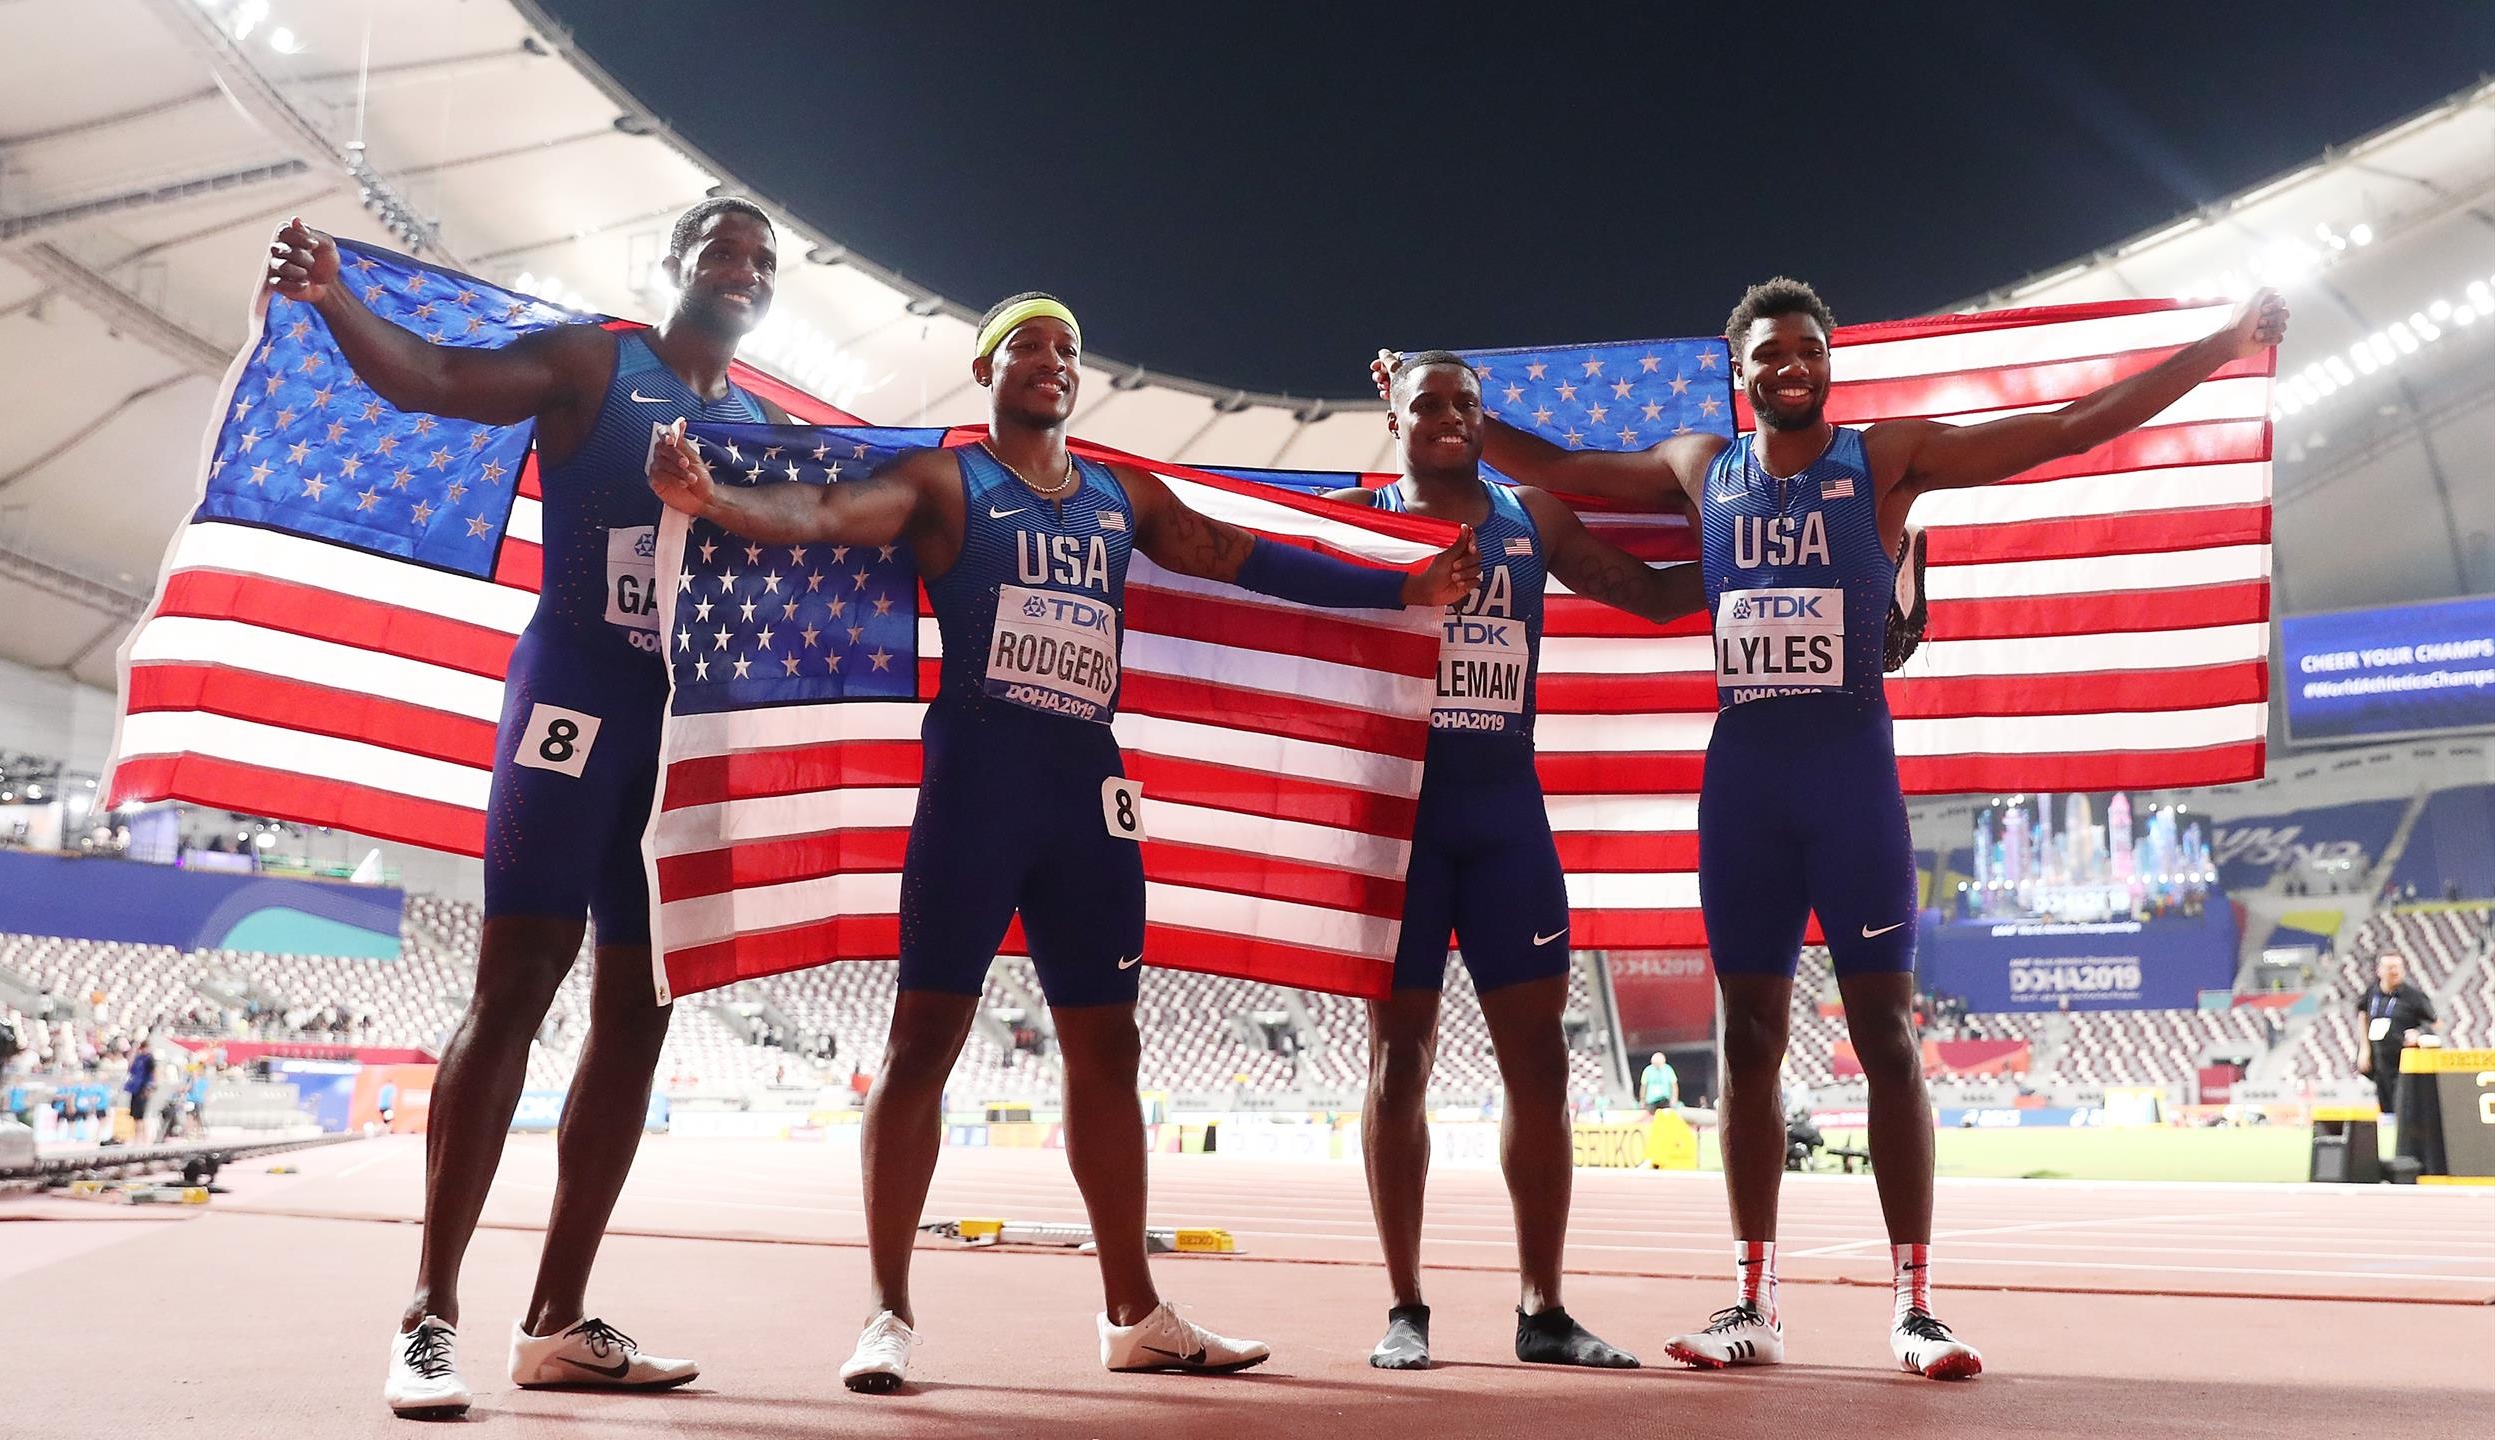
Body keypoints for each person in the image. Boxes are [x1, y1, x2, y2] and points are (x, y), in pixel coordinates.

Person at [1382, 280, 2288, 1381]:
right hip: (1744, 787)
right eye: (1769, 353)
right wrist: (1439, 412)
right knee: (1749, 1044)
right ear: (1743, 369)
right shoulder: (1695, 467)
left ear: (1828, 362)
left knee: (1885, 1040)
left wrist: (2223, 345)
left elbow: (2060, 430)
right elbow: (1557, 469)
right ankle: (1750, 1301)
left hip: (1851, 779)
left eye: (1807, 349)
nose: (1790, 366)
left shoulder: (1884, 459)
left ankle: (1914, 1307)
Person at [647, 292, 1479, 1392]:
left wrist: (1399, 589)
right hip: (977, 790)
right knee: (920, 1044)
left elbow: (1237, 556)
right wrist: (718, 504)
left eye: (1067, 350)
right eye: (1028, 346)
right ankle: (887, 1311)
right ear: (987, 370)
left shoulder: (1119, 494)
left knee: (1112, 1049)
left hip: (1088, 791)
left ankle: (1132, 1311)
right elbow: (826, 513)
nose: (1053, 362)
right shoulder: (951, 483)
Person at [269, 198, 797, 1418]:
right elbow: (436, 379)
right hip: (574, 696)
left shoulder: (763, 428)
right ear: (671, 265)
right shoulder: (594, 362)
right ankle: (427, 1318)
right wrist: (338, 297)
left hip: (682, 735)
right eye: (721, 246)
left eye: (762, 259)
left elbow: (814, 550)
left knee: (641, 1013)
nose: (742, 267)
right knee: (514, 987)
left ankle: (556, 1319)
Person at [1320, 351, 1699, 1372]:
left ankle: (1543, 1311)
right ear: (1390, 416)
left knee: (1538, 1062)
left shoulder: (1533, 516)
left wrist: (1776, 560)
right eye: (1426, 403)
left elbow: (1655, 598)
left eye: (1466, 404)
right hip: (1396, 821)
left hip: (1502, 813)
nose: (1449, 417)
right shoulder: (1356, 520)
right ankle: (1405, 1306)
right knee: (1398, 1060)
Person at [2355, 951, 2437, 1116]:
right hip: (2379, 1060)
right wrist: (2364, 1049)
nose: (2395, 971)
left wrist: (2418, 1032)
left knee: (2403, 1105)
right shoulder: (2372, 992)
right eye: (2390, 967)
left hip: (2404, 1061)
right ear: (2380, 971)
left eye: (2398, 967)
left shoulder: (2414, 996)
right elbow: (2362, 1013)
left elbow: (2434, 1022)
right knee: (2385, 1107)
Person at [122, 1046, 154, 1145]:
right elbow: (130, 1070)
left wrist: (149, 1088)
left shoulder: (148, 1060)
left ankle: (142, 1138)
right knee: (135, 1116)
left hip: (142, 1090)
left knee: (140, 1117)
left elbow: (153, 1073)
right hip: (136, 1090)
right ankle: (138, 1137)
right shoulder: (137, 1059)